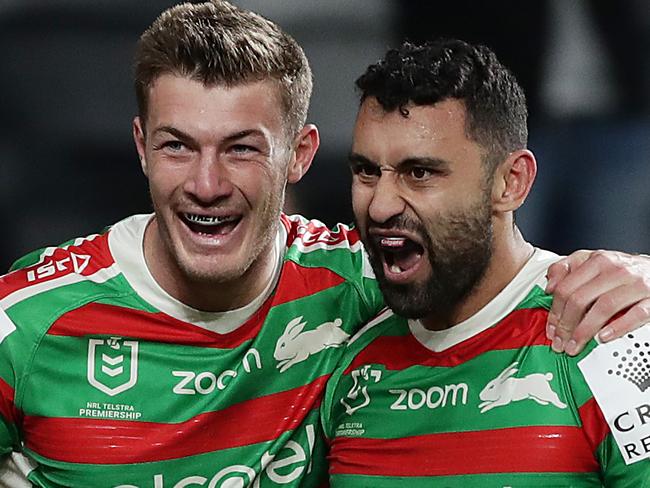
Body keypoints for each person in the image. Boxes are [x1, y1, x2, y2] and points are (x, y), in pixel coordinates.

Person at [0, 2, 647, 487]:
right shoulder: (28, 320)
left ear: (299, 156)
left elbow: (482, 274)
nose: (205, 184)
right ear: (141, 148)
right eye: (177, 145)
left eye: (242, 149)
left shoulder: (359, 287)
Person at [322, 39, 650, 486]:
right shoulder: (342, 359)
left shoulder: (605, 333)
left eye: (420, 173)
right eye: (366, 171)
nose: (379, 206)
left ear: (510, 183)